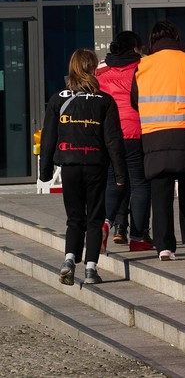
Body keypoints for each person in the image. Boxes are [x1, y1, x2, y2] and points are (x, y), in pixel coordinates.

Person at [39, 49, 128, 285]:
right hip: (95, 165)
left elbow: (48, 138)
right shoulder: (104, 101)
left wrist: (44, 171)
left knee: (74, 217)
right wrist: (120, 173)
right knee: (95, 218)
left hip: (69, 165)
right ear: (91, 69)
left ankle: (69, 259)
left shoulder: (58, 99)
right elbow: (113, 139)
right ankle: (90, 268)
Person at [131, 21, 185, 260]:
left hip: (154, 135)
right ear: (176, 37)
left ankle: (164, 247)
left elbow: (135, 100)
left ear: (152, 41)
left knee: (160, 192)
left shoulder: (143, 65)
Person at [95, 31, 154, 252]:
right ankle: (138, 238)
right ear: (135, 48)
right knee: (139, 184)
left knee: (113, 183)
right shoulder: (143, 66)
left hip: (108, 135)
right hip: (136, 132)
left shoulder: (101, 69)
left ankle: (105, 223)